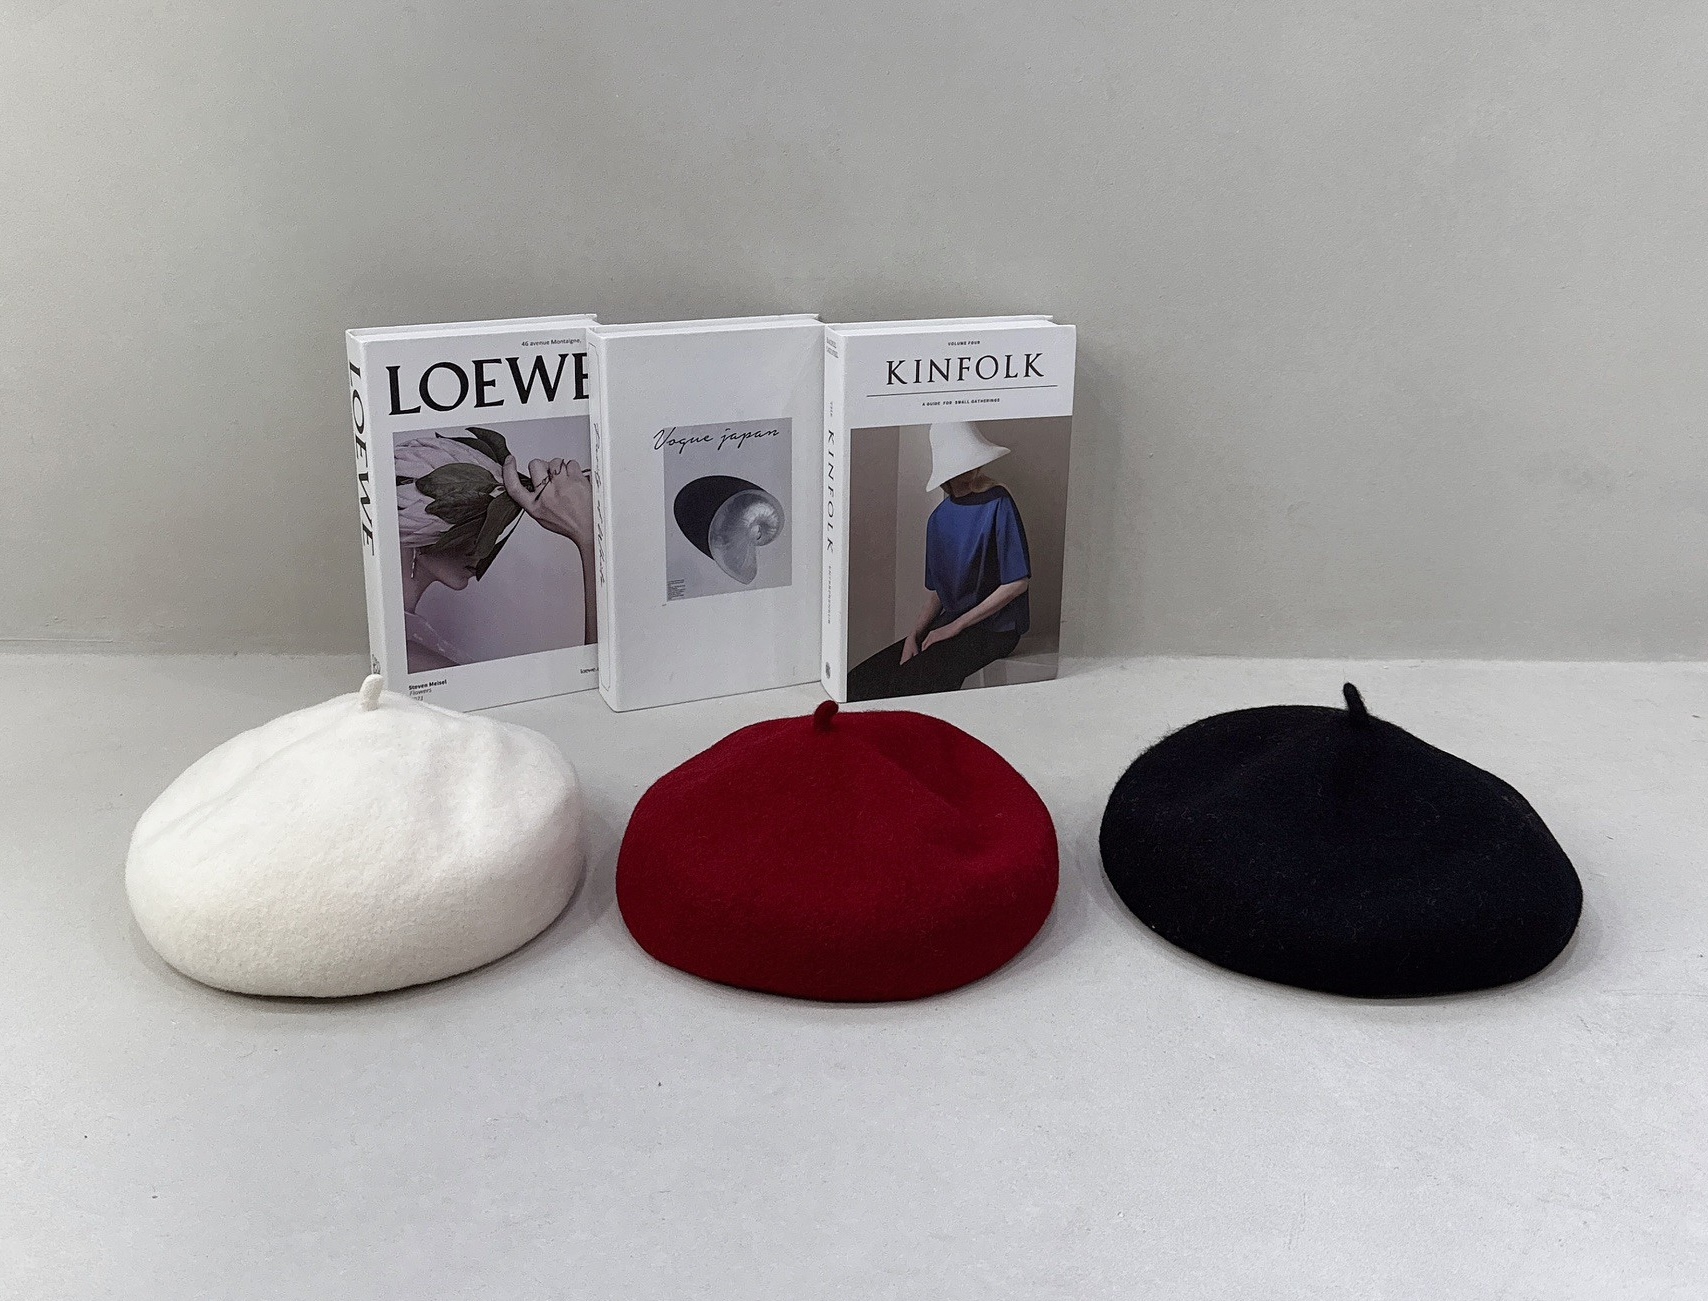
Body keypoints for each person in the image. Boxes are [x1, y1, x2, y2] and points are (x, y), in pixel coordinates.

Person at [848, 422, 1031, 701]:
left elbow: (1017, 583)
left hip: (996, 630)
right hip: (950, 626)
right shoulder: (937, 519)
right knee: (859, 681)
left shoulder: (998, 502)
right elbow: (938, 593)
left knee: (909, 683)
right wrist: (914, 635)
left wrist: (954, 627)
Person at [395, 430, 596, 672]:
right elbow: (593, 687)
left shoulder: (410, 642)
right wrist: (588, 537)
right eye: (474, 526)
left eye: (491, 527)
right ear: (416, 522)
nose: (483, 550)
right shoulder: (412, 659)